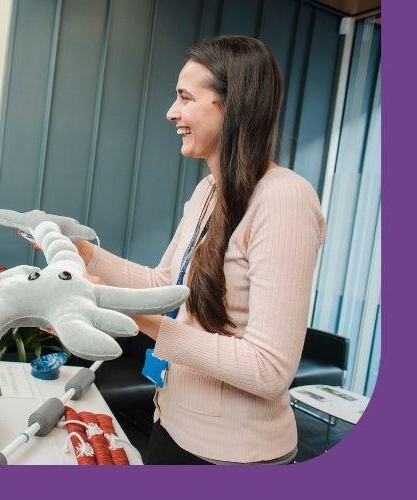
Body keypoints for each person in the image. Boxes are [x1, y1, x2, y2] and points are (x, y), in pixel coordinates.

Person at [72, 36, 326, 464]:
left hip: (233, 456)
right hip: (172, 426)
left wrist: (132, 314)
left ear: (234, 105)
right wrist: (82, 251)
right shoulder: (209, 189)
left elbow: (269, 369)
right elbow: (163, 284)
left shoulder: (285, 199)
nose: (172, 112)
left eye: (185, 98)